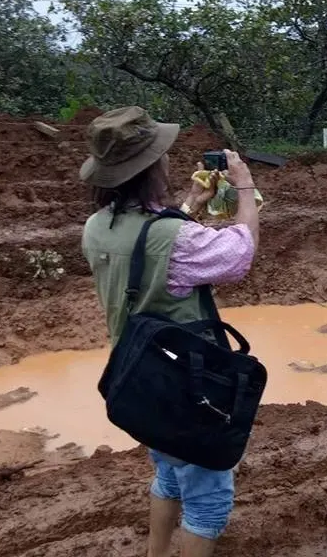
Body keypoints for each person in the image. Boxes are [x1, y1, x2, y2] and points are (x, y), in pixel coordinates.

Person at [79, 106, 259, 557]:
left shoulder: (96, 227)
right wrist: (245, 186)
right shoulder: (173, 238)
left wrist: (187, 207)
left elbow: (145, 247)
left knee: (167, 471)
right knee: (209, 500)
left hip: (138, 374)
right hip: (188, 384)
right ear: (149, 168)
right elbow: (239, 252)